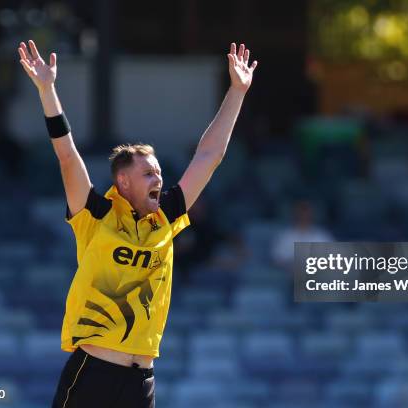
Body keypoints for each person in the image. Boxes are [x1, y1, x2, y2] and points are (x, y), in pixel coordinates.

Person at [17, 39, 257, 408]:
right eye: (148, 173)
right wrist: (47, 90)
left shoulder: (167, 216)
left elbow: (210, 155)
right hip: (92, 372)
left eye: (159, 172)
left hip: (141, 380)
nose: (158, 179)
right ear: (123, 182)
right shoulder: (95, 215)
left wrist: (237, 92)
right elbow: (67, 155)